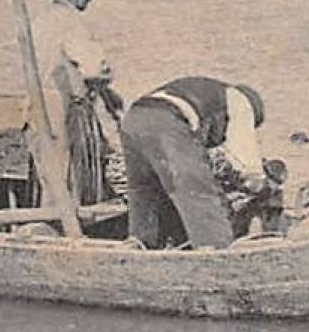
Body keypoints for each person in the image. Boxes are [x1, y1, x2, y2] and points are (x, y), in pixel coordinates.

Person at [119, 76, 283, 249]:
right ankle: (214, 249)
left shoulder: (205, 93)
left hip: (134, 119)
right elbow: (246, 160)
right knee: (197, 189)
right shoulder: (240, 102)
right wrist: (260, 184)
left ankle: (141, 243)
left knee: (144, 191)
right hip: (166, 119)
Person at [29, 0, 123, 205]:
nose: (88, 0)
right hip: (63, 103)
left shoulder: (39, 21)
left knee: (48, 170)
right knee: (68, 169)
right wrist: (107, 87)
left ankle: (47, 218)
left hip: (37, 102)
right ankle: (64, 226)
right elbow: (94, 68)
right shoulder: (71, 22)